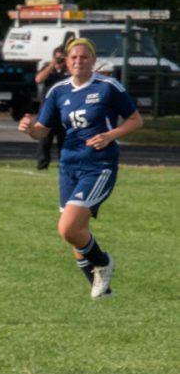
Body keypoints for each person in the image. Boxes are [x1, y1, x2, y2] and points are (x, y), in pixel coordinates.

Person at [19, 37, 142, 299]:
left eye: (84, 57)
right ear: (66, 61)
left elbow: (135, 120)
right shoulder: (58, 91)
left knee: (68, 227)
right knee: (76, 232)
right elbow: (42, 130)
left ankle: (104, 263)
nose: (78, 61)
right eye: (73, 57)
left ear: (93, 60)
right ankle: (102, 290)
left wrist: (111, 135)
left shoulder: (108, 87)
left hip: (99, 165)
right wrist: (30, 129)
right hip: (69, 165)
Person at [34, 46, 68, 170]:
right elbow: (38, 79)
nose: (60, 61)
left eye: (62, 58)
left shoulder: (69, 70)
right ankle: (42, 165)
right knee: (45, 140)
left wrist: (67, 64)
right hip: (48, 110)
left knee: (64, 140)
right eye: (58, 57)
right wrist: (52, 65)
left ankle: (64, 164)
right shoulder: (47, 68)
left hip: (64, 110)